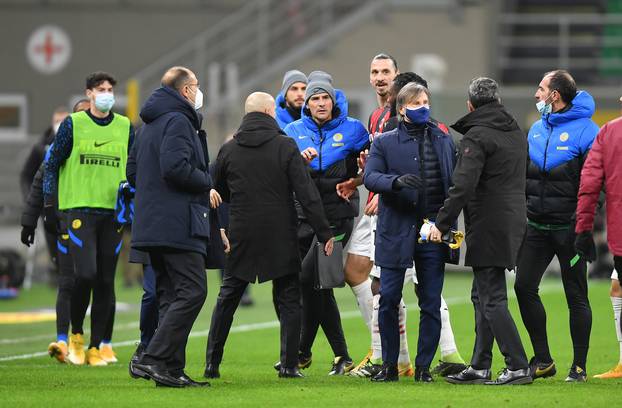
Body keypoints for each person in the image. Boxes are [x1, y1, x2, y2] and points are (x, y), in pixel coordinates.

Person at [204, 92, 334, 379]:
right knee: (289, 298)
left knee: (228, 297)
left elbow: (217, 193)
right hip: (280, 233)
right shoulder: (285, 146)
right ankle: (288, 366)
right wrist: (324, 233)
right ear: (268, 112)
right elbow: (306, 194)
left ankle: (212, 363)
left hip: (242, 233)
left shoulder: (229, 149)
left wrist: (220, 228)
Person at [430, 77, 532, 385]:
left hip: (489, 221)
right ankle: (480, 365)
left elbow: (462, 186)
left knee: (491, 298)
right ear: (498, 100)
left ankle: (517, 365)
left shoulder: (477, 136)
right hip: (513, 217)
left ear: (470, 105)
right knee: (481, 294)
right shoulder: (515, 130)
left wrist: (441, 224)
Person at [363, 83, 457, 383]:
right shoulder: (384, 142)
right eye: (417, 103)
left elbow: (452, 183)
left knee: (430, 301)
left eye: (426, 101)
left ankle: (423, 368)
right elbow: (370, 177)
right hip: (396, 229)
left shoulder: (443, 138)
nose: (423, 106)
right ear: (402, 108)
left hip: (432, 231)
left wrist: (446, 226)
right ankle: (390, 366)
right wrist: (396, 182)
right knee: (388, 298)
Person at [128, 66, 212, 388]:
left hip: (152, 223)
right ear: (186, 91)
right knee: (193, 290)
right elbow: (176, 167)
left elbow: (133, 172)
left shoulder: (147, 124)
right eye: (197, 87)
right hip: (176, 224)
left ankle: (171, 369)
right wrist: (207, 181)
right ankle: (152, 357)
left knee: (169, 294)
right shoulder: (178, 121)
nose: (199, 93)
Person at [43, 72, 133, 366]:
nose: (107, 93)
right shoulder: (73, 124)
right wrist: (49, 205)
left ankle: (96, 347)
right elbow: (52, 164)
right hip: (80, 210)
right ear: (89, 93)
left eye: (110, 89)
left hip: (113, 212)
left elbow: (134, 167)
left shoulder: (125, 127)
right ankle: (76, 336)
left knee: (107, 280)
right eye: (101, 89)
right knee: (85, 275)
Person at [515, 70, 598, 382]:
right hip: (536, 226)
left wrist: (584, 223)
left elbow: (596, 183)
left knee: (575, 296)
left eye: (541, 89)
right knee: (523, 287)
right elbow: (525, 177)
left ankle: (579, 367)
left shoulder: (588, 132)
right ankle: (544, 359)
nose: (537, 95)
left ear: (555, 96)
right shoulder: (536, 129)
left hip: (569, 230)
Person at [283, 71, 369, 375]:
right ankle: (342, 356)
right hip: (304, 216)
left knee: (308, 279)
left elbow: (369, 169)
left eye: (325, 98)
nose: (321, 103)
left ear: (334, 101)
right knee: (320, 286)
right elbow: (282, 173)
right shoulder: (292, 131)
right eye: (315, 99)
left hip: (337, 216)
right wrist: (298, 161)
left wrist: (358, 178)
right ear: (307, 105)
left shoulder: (355, 130)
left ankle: (299, 352)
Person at [20, 99, 89, 364]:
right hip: (62, 220)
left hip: (95, 224)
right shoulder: (55, 148)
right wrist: (31, 218)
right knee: (67, 280)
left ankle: (86, 339)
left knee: (90, 281)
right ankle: (62, 340)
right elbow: (38, 179)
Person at [574, 110, 622, 379]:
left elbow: (590, 183)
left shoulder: (610, 131)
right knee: (617, 288)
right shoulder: (608, 131)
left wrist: (583, 229)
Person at [20, 106, 70, 280]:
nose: (60, 125)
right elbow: (28, 176)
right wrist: (32, 203)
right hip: (48, 206)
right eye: (57, 121)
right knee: (54, 247)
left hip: (70, 206)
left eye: (64, 121)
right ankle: (59, 275)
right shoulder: (41, 147)